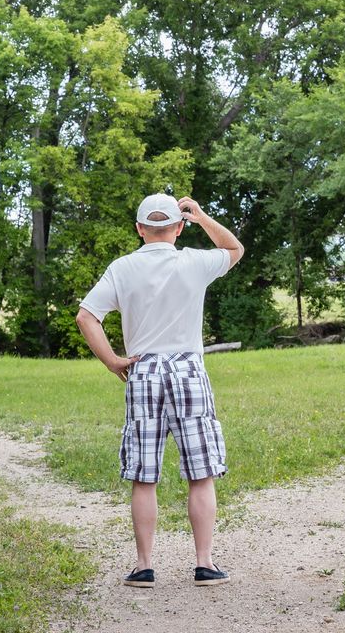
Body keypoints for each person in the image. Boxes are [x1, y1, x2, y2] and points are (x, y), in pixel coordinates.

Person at [75, 192, 244, 589]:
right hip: (187, 369)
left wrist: (114, 361)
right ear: (178, 226)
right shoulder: (193, 261)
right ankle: (204, 563)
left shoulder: (122, 268)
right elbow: (234, 248)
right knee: (201, 473)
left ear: (139, 229)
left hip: (144, 369)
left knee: (144, 475)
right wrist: (202, 217)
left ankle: (144, 566)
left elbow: (87, 316)